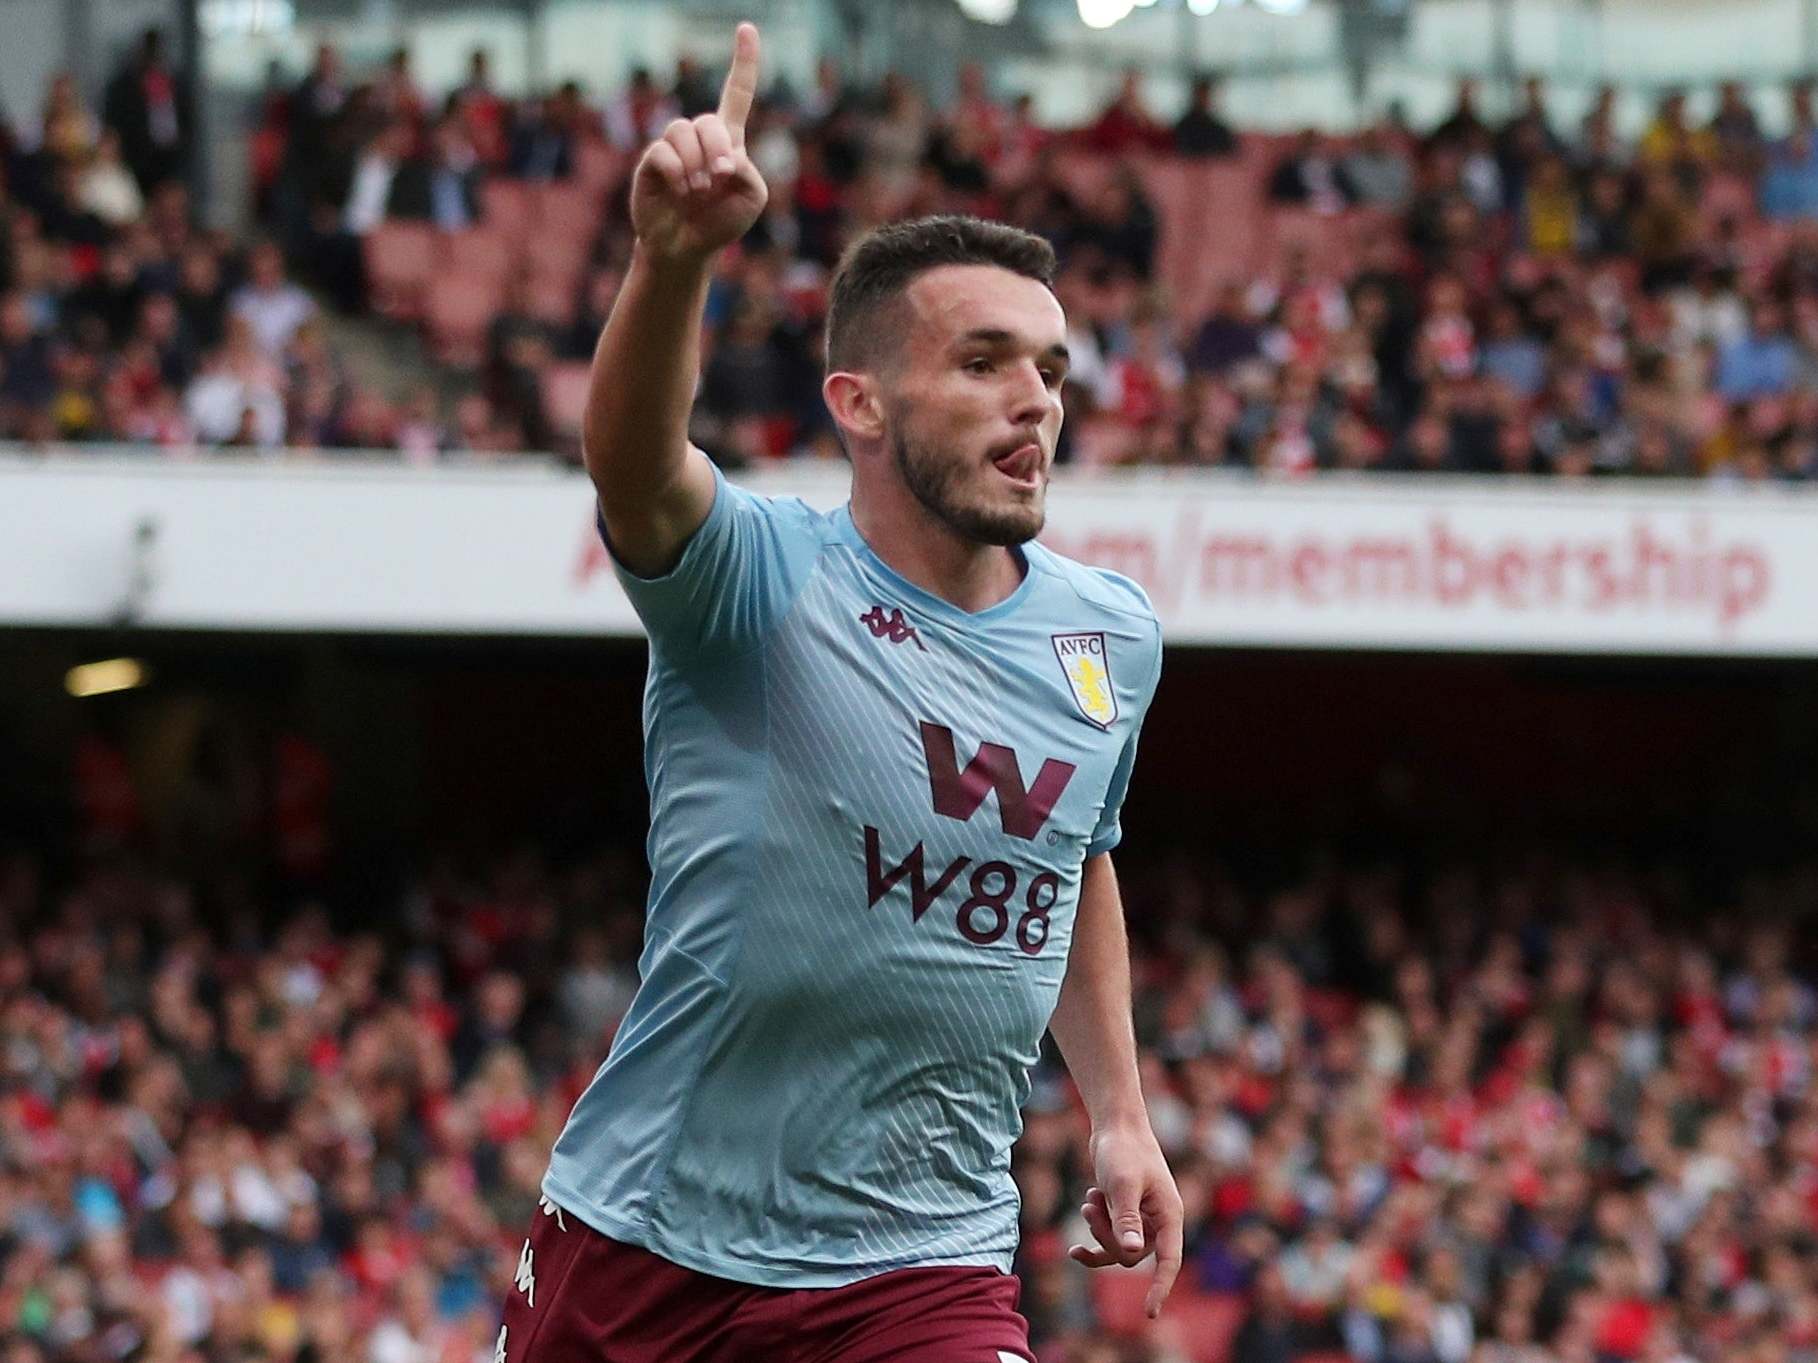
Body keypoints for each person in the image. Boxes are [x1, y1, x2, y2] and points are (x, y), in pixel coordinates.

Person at [498, 22, 1180, 1363]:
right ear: (858, 405)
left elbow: (1074, 852)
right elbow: (633, 466)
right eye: (980, 364)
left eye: (1047, 369)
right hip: (649, 1246)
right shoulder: (762, 581)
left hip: (921, 1265)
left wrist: (1118, 1107)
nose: (1033, 402)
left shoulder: (1110, 638)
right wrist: (673, 260)